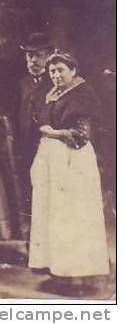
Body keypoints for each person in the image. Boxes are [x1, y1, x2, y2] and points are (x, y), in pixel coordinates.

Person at [29, 52, 109, 291]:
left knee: (72, 215)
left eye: (61, 70)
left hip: (73, 161)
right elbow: (39, 121)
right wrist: (47, 131)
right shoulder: (51, 94)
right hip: (53, 160)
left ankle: (78, 274)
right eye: (52, 71)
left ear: (73, 70)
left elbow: (80, 137)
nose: (56, 75)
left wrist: (51, 132)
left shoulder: (83, 94)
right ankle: (59, 271)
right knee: (53, 214)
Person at [16, 32, 54, 239]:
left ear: (49, 56)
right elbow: (16, 115)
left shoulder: (55, 81)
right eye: (29, 56)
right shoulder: (23, 84)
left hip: (49, 146)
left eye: (38, 55)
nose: (33, 60)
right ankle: (33, 239)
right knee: (28, 190)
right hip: (26, 147)